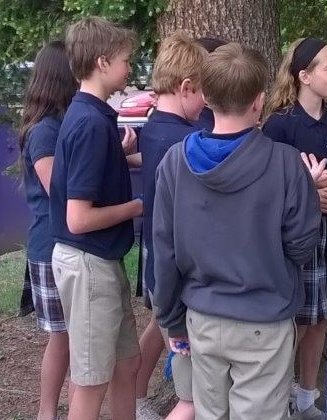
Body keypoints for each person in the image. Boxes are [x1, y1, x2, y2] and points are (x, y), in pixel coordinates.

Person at [152, 42, 322, 420]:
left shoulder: (174, 163)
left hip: (203, 319)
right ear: (260, 101)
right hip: (265, 320)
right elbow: (301, 246)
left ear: (206, 95)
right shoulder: (286, 164)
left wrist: (170, 318)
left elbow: (163, 252)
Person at [49, 17, 142, 420]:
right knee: (90, 381)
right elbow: (78, 219)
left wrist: (119, 157)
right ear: (102, 62)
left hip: (103, 261)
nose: (129, 68)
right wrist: (139, 206)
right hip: (88, 263)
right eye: (125, 60)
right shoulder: (89, 124)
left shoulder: (93, 115)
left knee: (127, 364)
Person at [263, 37, 327, 420]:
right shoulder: (279, 125)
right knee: (294, 320)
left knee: (320, 318)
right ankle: (272, 397)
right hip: (293, 237)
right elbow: (265, 189)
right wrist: (311, 198)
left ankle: (306, 397)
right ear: (304, 75)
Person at [134, 31, 208, 420]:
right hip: (178, 269)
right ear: (185, 87)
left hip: (156, 259)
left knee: (158, 323)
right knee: (195, 395)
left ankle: (135, 394)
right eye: (203, 93)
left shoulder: (154, 126)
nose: (207, 103)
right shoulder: (187, 140)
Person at [19, 40, 77, 420]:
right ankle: (48, 413)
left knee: (69, 339)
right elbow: (60, 186)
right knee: (64, 338)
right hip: (50, 247)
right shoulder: (45, 131)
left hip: (55, 244)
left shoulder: (57, 125)